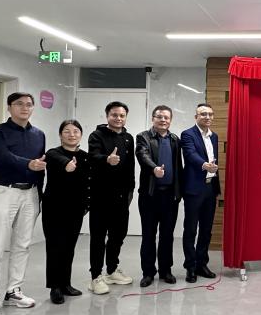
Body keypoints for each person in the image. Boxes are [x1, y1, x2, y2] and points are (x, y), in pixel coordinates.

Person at [0, 92, 46, 315]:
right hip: (4, 191)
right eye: (19, 104)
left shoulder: (39, 134)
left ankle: (14, 291)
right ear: (9, 107)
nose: (25, 108)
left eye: (29, 104)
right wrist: (29, 164)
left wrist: (40, 194)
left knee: (23, 244)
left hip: (30, 193)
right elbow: (1, 157)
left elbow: (41, 166)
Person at [87, 101, 135, 294]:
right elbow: (92, 157)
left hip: (122, 196)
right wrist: (107, 159)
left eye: (122, 115)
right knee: (98, 237)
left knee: (118, 235)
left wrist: (131, 188)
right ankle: (95, 277)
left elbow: (130, 165)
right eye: (114, 115)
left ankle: (112, 270)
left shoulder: (128, 138)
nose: (118, 118)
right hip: (101, 195)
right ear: (107, 116)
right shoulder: (96, 135)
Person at [42, 120, 90, 304]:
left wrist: (86, 204)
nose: (72, 135)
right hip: (54, 208)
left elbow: (88, 182)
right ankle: (54, 287)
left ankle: (65, 284)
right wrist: (67, 164)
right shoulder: (53, 153)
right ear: (60, 135)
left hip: (75, 209)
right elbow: (59, 160)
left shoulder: (85, 156)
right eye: (67, 131)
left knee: (69, 247)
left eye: (76, 131)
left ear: (81, 135)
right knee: (55, 247)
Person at [136, 105, 184, 288]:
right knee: (149, 235)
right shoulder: (143, 137)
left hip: (170, 196)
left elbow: (178, 166)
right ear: (153, 118)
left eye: (166, 117)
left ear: (170, 120)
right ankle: (148, 272)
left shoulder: (175, 139)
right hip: (150, 195)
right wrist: (154, 168)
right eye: (159, 117)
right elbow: (142, 155)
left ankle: (165, 270)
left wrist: (179, 192)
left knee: (167, 235)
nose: (163, 120)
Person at [181, 103, 221, 283]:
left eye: (210, 114)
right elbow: (190, 154)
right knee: (191, 229)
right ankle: (190, 266)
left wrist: (215, 184)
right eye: (203, 114)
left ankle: (201, 264)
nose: (207, 117)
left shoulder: (214, 136)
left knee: (206, 229)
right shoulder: (188, 134)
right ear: (196, 116)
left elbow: (214, 161)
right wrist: (204, 165)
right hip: (194, 189)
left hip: (210, 188)